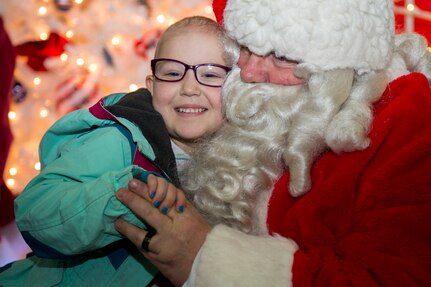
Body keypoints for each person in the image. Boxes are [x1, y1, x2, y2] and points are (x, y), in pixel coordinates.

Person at [113, 0, 431, 286]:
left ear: (341, 65)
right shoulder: (249, 96)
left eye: (280, 56)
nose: (249, 73)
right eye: (245, 46)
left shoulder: (407, 129)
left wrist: (205, 260)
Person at [0, 16, 231, 286]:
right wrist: (125, 194)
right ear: (152, 86)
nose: (190, 88)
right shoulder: (119, 140)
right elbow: (35, 216)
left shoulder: (238, 170)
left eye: (210, 75)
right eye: (171, 73)